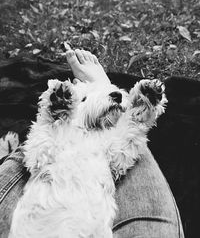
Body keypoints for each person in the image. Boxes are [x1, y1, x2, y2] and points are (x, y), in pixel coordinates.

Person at [0, 49, 184, 238]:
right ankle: (115, 97)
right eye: (85, 99)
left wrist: (52, 121)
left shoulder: (84, 144)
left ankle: (124, 107)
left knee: (123, 137)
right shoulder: (61, 139)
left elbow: (39, 153)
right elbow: (40, 153)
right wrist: (55, 121)